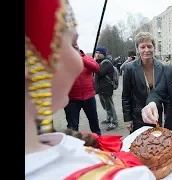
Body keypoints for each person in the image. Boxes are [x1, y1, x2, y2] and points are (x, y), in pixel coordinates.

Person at [25, 1, 156, 179]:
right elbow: (125, 95)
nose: (79, 60)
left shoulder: (162, 67)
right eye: (72, 44)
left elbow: (95, 68)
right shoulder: (128, 176)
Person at [122, 32, 170, 133]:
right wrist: (128, 119)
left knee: (157, 142)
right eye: (142, 47)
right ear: (137, 49)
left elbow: (166, 93)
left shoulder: (162, 67)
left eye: (149, 46)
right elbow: (126, 96)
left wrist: (167, 112)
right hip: (137, 116)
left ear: (154, 48)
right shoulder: (129, 68)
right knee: (139, 144)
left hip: (156, 114)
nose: (146, 50)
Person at [63, 42, 101, 135]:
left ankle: (99, 142)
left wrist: (80, 60)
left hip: (89, 97)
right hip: (72, 99)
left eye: (75, 43)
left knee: (94, 123)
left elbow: (96, 68)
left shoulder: (87, 58)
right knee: (73, 126)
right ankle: (74, 145)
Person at [94, 46, 118, 131]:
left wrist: (94, 63)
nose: (97, 54)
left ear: (103, 54)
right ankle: (108, 118)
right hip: (101, 88)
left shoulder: (106, 63)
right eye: (96, 52)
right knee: (105, 105)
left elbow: (100, 73)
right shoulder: (100, 62)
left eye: (99, 53)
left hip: (106, 88)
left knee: (110, 105)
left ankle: (114, 121)